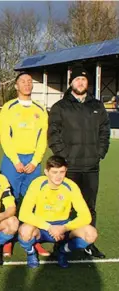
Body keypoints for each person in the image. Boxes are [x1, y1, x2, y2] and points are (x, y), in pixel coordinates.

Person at [48, 66, 110, 258]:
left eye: (84, 80)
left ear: (88, 84)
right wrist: (65, 157)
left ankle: (88, 243)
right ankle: (64, 243)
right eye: (77, 80)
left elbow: (104, 131)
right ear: (71, 83)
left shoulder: (97, 106)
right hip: (70, 167)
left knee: (89, 207)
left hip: (91, 167)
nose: (80, 83)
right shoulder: (60, 107)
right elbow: (53, 134)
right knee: (68, 207)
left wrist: (99, 153)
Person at [0, 72, 49, 257]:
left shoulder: (41, 109)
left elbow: (43, 138)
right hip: (13, 161)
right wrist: (16, 160)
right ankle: (8, 239)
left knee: (32, 202)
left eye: (29, 81)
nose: (27, 84)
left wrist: (35, 161)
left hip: (33, 161)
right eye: (22, 81)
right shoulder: (8, 107)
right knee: (9, 200)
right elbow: (5, 136)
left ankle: (33, 239)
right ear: (16, 86)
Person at [18, 155, 98, 268]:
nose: (58, 176)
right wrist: (49, 227)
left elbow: (86, 217)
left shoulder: (71, 186)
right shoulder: (37, 184)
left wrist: (64, 228)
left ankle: (62, 251)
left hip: (63, 226)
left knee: (91, 234)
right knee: (24, 231)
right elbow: (24, 213)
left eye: (62, 172)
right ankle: (31, 253)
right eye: (54, 172)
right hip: (42, 227)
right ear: (46, 172)